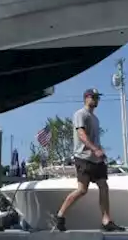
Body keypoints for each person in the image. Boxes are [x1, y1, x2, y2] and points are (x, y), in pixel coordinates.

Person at [53, 88, 123, 232]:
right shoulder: (80, 114)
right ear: (86, 98)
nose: (96, 100)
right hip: (83, 158)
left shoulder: (95, 119)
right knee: (82, 190)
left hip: (97, 160)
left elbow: (95, 138)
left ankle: (106, 220)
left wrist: (101, 151)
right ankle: (60, 216)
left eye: (98, 98)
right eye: (93, 97)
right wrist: (94, 149)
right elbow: (81, 134)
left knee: (104, 186)